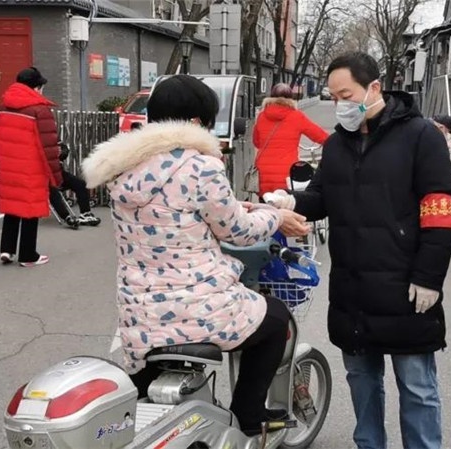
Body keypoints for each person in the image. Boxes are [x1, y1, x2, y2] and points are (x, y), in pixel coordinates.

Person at [81, 74, 309, 437]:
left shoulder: (123, 167)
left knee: (146, 378)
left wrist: (244, 205)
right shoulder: (198, 165)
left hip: (139, 309)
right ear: (195, 122)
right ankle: (249, 415)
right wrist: (276, 216)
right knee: (275, 319)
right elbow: (237, 230)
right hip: (197, 305)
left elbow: (178, 210)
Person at [265, 52, 451, 449]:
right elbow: (322, 197)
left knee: (418, 387)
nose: (340, 104)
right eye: (334, 97)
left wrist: (429, 278)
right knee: (362, 382)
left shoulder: (421, 136)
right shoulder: (338, 144)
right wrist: (291, 202)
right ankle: (369, 444)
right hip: (352, 288)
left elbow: (442, 208)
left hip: (405, 288)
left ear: (374, 88)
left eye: (346, 94)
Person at [0, 67, 62, 267]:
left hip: (8, 165)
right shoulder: (40, 110)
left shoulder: (4, 107)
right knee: (30, 210)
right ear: (36, 87)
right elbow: (48, 147)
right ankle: (27, 255)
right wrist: (56, 176)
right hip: (32, 168)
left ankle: (6, 250)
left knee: (12, 207)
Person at [253, 83, 329, 198]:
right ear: (291, 99)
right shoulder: (297, 116)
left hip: (263, 174)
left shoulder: (262, 116)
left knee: (265, 209)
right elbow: (321, 137)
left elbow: (257, 142)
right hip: (286, 174)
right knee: (287, 210)